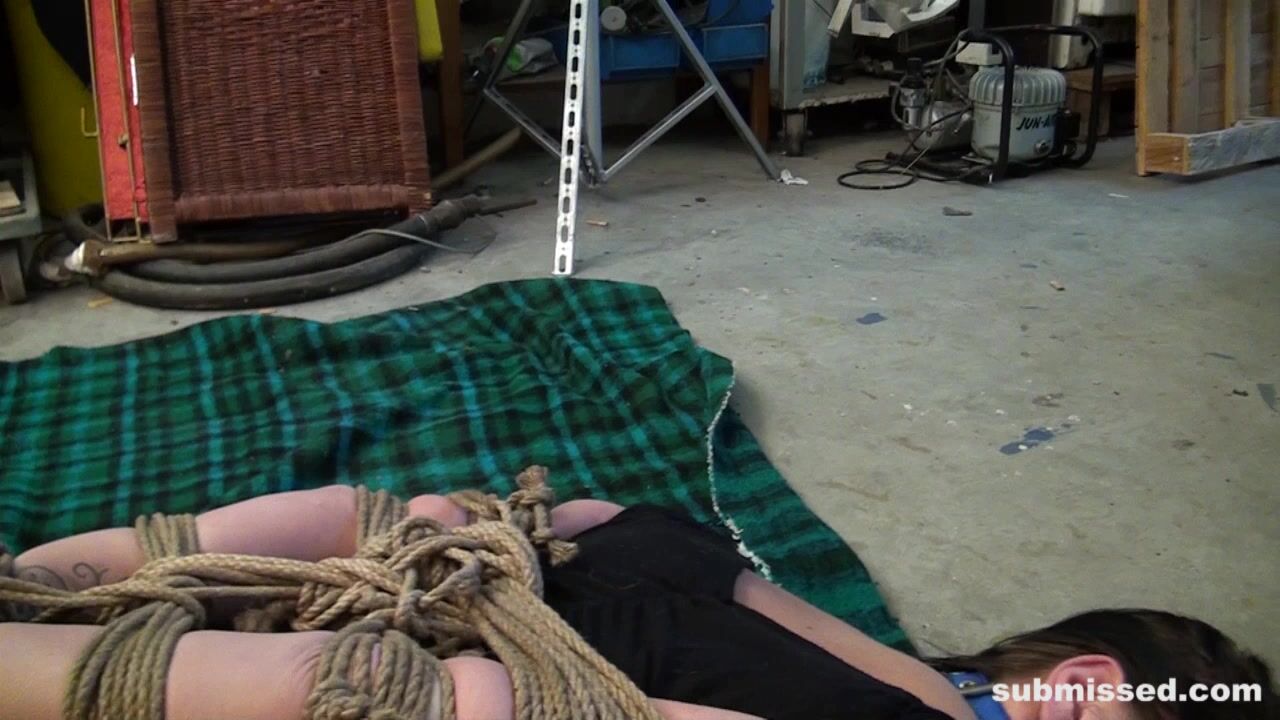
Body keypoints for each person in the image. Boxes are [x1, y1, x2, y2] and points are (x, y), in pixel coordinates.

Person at [1, 484, 1274, 720]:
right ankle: (55, 592)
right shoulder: (942, 699)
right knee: (391, 561)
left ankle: (48, 607)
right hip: (576, 598)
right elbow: (784, 622)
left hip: (568, 636)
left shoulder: (939, 695)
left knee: (392, 664)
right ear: (1085, 683)